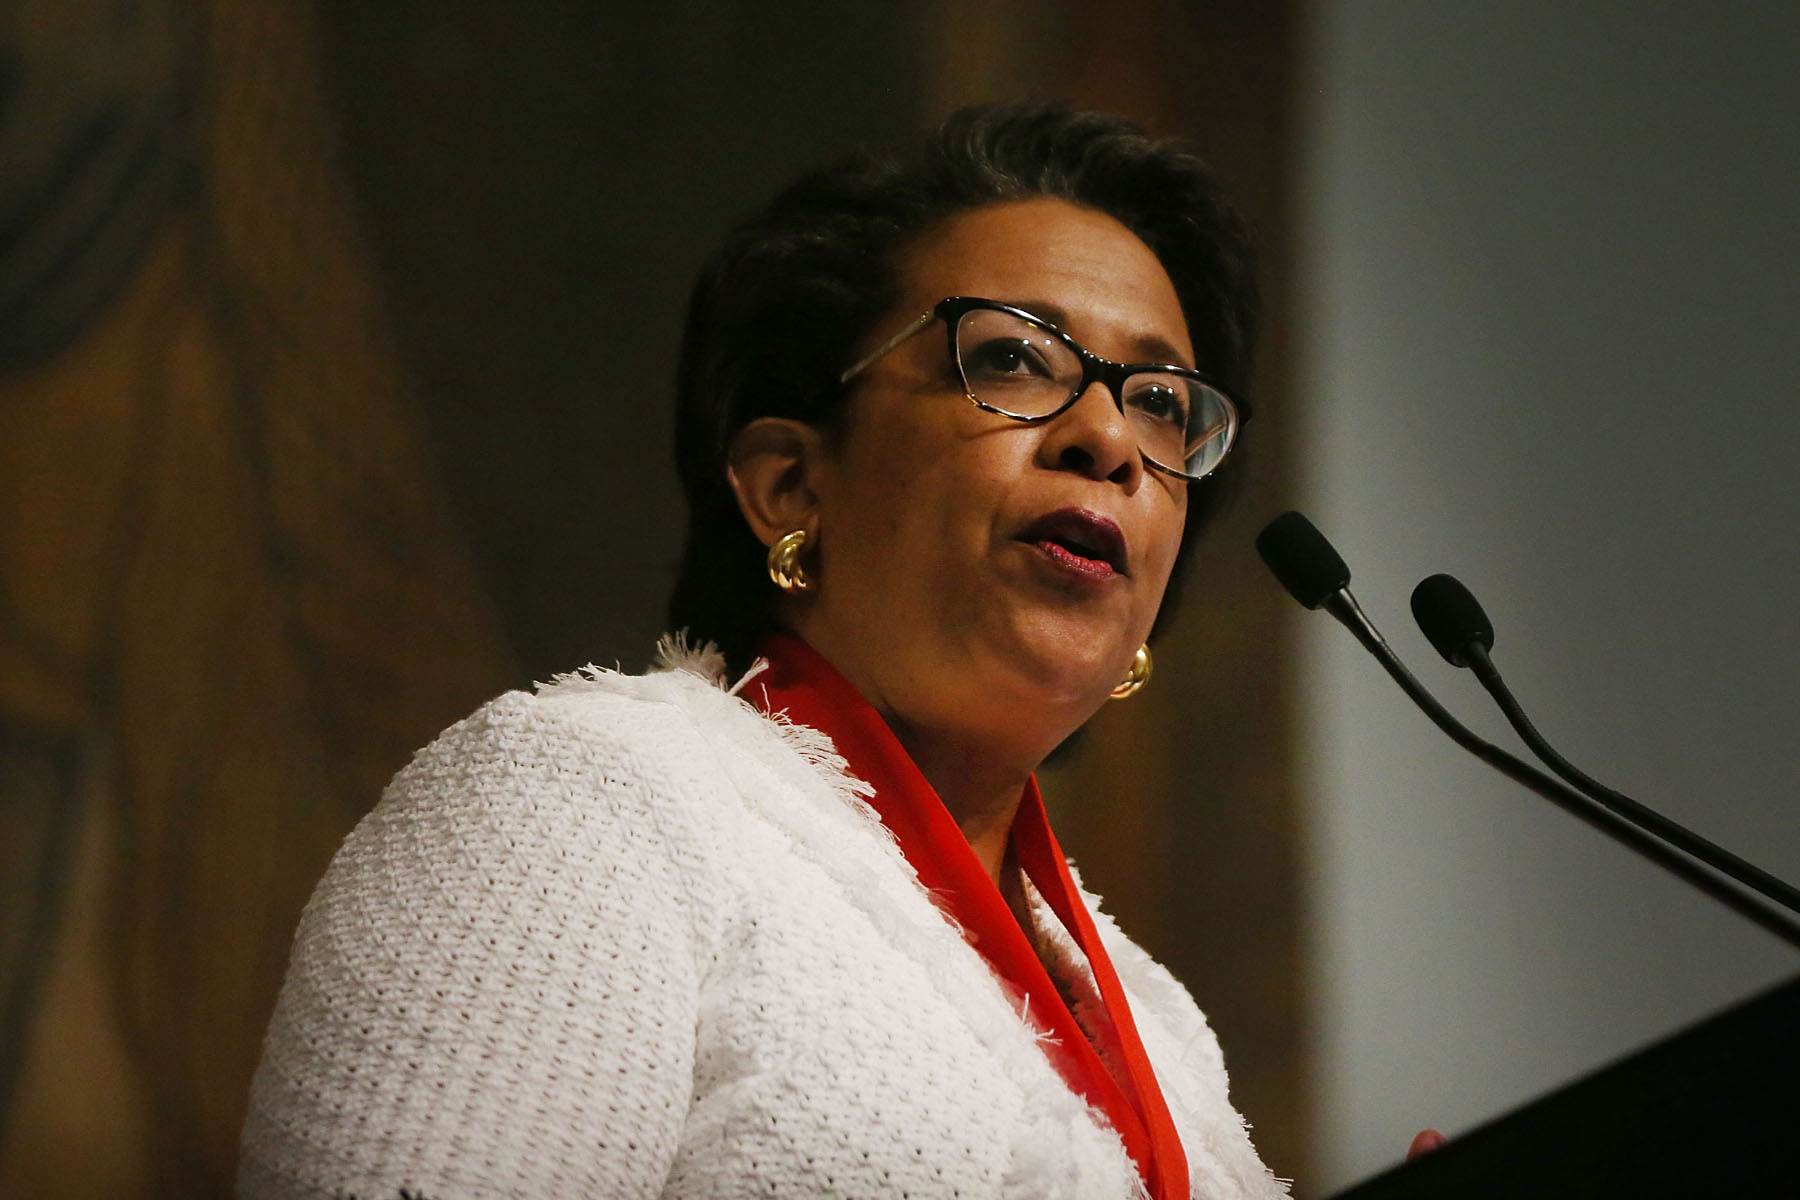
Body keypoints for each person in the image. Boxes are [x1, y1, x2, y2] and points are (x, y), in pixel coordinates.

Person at [238, 101, 1288, 1200]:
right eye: (1016, 357)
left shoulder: (1162, 1033)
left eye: (1163, 403)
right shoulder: (588, 800)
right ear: (791, 483)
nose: (1112, 439)